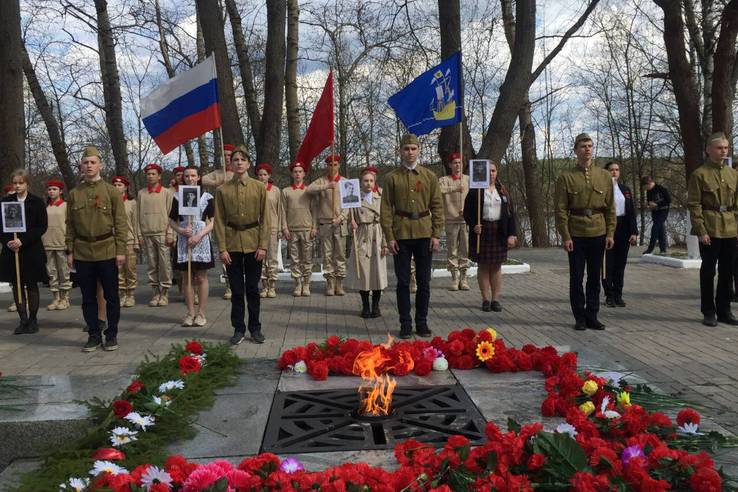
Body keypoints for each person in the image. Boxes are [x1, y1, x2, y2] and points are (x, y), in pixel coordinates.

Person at [380, 133, 443, 339]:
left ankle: (422, 322)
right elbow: (386, 209)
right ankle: (405, 323)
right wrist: (389, 236)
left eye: (413, 149)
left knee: (424, 281)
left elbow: (437, 206)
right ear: (400, 151)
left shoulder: (429, 176)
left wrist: (436, 234)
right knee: (403, 282)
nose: (410, 152)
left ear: (419, 150)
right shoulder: (392, 178)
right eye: (406, 149)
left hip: (424, 233)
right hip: (401, 234)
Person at [66, 146, 127, 351]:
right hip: (83, 251)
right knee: (87, 297)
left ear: (100, 165)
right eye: (86, 162)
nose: (89, 166)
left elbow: (120, 223)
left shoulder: (111, 192)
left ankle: (112, 334)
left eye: (93, 162)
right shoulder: (74, 194)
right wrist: (70, 250)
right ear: (81, 166)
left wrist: (121, 250)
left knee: (111, 295)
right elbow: (70, 225)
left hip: (107, 249)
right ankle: (93, 334)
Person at [554, 133, 615, 331]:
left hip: (598, 230)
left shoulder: (604, 176)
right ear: (575, 150)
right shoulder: (566, 177)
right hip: (577, 232)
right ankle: (579, 317)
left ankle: (592, 315)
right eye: (583, 146)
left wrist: (610, 233)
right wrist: (565, 235)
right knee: (576, 277)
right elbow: (561, 209)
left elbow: (610, 207)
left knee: (595, 277)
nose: (587, 149)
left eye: (590, 145)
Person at [214, 146, 270, 345]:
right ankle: (238, 328)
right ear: (231, 163)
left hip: (254, 244)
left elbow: (266, 218)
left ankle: (255, 328)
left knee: (253, 290)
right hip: (232, 245)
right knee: (236, 291)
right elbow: (219, 220)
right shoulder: (222, 190)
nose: (238, 162)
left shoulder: (259, 187)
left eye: (242, 159)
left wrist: (263, 245)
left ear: (248, 163)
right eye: (235, 159)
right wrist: (222, 248)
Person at [687, 132, 738, 327]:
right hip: (710, 226)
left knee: (727, 271)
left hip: (730, 227)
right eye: (719, 148)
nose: (723, 151)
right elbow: (694, 204)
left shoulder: (733, 174)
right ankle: (708, 311)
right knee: (708, 271)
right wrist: (701, 230)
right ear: (708, 150)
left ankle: (725, 310)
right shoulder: (699, 174)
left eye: (725, 148)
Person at [463, 162, 517, 312]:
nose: (491, 174)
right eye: (488, 171)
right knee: (484, 266)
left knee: (497, 266)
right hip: (482, 232)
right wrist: (474, 225)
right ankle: (485, 299)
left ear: (497, 172)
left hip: (499, 232)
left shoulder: (503, 191)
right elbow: (467, 213)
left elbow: (511, 214)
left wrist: (512, 234)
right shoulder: (476, 191)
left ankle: (495, 299)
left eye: (493, 171)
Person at [1, 169, 49, 334]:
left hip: (31, 249)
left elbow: (41, 226)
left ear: (27, 183)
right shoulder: (6, 202)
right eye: (15, 183)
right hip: (12, 250)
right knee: (17, 284)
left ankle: (33, 319)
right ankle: (23, 320)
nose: (18, 186)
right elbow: (1, 227)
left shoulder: (36, 202)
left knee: (31, 283)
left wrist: (23, 240)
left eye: (21, 183)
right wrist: (8, 241)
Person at [169, 167, 214, 327]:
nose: (190, 178)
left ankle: (201, 313)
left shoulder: (207, 197)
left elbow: (213, 221)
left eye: (193, 175)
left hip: (200, 239)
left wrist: (199, 235)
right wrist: (181, 230)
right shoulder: (177, 197)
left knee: (201, 277)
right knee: (187, 277)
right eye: (187, 176)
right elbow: (172, 220)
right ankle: (190, 313)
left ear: (199, 177)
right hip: (184, 239)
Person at [306, 154, 349, 296]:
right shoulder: (321, 181)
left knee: (340, 255)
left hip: (339, 223)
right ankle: (330, 283)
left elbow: (349, 205)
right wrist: (327, 186)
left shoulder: (345, 182)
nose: (332, 167)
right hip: (325, 224)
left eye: (335, 164)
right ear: (327, 166)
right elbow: (309, 189)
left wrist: (342, 217)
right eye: (330, 164)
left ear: (339, 165)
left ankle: (339, 283)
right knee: (327, 255)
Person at [348, 166, 387, 318]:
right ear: (361, 182)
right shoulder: (353, 197)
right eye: (365, 181)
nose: (368, 183)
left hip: (377, 233)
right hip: (362, 235)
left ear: (375, 181)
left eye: (371, 180)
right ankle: (365, 306)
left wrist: (385, 243)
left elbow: (386, 221)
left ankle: (376, 306)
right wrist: (351, 223)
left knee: (377, 273)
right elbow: (347, 216)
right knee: (363, 273)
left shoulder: (381, 196)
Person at [137, 163, 174, 307]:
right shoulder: (141, 193)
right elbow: (138, 215)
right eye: (148, 174)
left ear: (159, 176)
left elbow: (171, 214)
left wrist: (170, 232)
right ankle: (155, 293)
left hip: (162, 233)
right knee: (151, 264)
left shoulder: (166, 192)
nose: (150, 176)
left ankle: (164, 293)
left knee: (164, 264)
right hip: (147, 233)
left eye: (153, 174)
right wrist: (139, 235)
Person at [202, 143, 235, 301]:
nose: (228, 158)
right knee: (224, 252)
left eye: (230, 155)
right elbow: (203, 180)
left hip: (237, 217)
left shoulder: (239, 173)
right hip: (221, 217)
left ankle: (238, 284)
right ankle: (228, 285)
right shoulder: (218, 173)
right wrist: (218, 181)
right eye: (225, 155)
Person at [602, 162, 638, 308]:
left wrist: (634, 232)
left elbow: (631, 212)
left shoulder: (625, 189)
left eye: (617, 170)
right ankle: (609, 295)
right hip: (607, 228)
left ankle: (618, 294)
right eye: (611, 170)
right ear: (606, 172)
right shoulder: (602, 189)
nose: (614, 172)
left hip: (623, 228)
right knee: (607, 264)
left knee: (620, 264)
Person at [282, 161, 317, 297]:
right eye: (295, 171)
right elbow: (282, 211)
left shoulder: (309, 191)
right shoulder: (286, 191)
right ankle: (297, 284)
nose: (297, 174)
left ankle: (306, 284)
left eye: (300, 171)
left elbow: (315, 210)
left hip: (307, 229)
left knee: (307, 258)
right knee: (295, 259)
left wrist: (314, 226)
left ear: (304, 174)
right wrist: (284, 227)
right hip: (292, 230)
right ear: (292, 174)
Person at [439, 152, 470, 291]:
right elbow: (438, 191)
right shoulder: (444, 180)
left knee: (465, 249)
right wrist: (454, 188)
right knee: (452, 250)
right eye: (455, 163)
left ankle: (463, 277)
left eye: (460, 162)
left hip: (465, 220)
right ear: (450, 165)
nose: (457, 165)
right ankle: (454, 277)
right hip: (451, 219)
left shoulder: (468, 179)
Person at [43, 179, 72, 311]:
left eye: (54, 189)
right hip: (47, 243)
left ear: (60, 191)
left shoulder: (65, 206)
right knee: (51, 271)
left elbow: (70, 225)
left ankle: (65, 298)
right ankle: (55, 297)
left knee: (63, 271)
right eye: (49, 189)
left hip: (61, 243)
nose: (51, 191)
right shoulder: (45, 207)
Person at [111, 176, 139, 308]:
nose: (117, 187)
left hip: (129, 239)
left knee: (130, 268)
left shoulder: (132, 203)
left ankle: (130, 294)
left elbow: (135, 222)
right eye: (115, 185)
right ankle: (122, 294)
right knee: (118, 269)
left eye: (119, 185)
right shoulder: (110, 202)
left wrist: (137, 240)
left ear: (125, 187)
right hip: (114, 240)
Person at [255, 163, 282, 298]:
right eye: (260, 175)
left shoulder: (275, 190)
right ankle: (264, 285)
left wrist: (280, 228)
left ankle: (272, 285)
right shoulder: (254, 189)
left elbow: (280, 211)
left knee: (272, 257)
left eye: (265, 174)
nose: (262, 177)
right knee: (260, 258)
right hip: (257, 228)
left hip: (272, 227)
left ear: (269, 176)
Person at [641, 176, 671, 255]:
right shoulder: (648, 191)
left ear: (649, 183)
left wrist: (657, 204)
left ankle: (650, 248)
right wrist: (648, 204)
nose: (645, 189)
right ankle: (663, 249)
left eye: (646, 187)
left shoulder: (661, 188)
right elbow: (649, 201)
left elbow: (668, 200)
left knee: (655, 228)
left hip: (663, 210)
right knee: (660, 229)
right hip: (655, 211)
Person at [3, 183, 17, 313]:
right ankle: (16, 299)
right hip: (9, 245)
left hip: (22, 244)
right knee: (13, 275)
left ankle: (25, 300)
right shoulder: (4, 206)